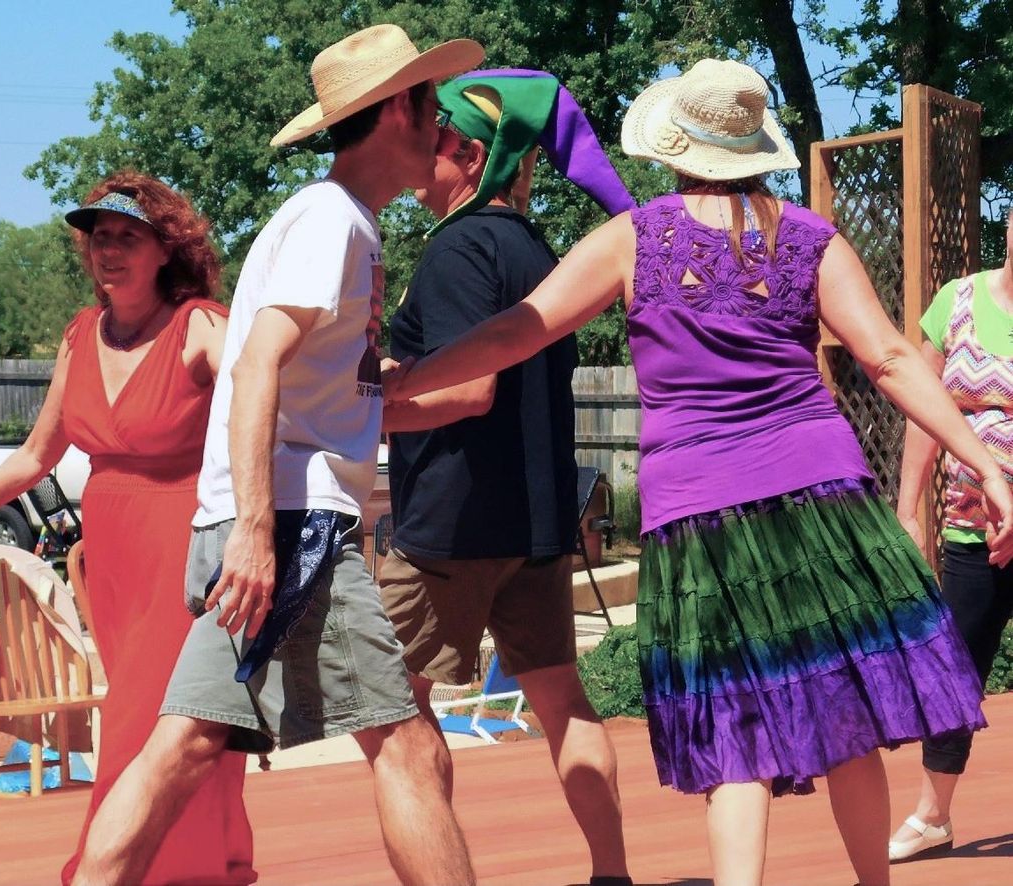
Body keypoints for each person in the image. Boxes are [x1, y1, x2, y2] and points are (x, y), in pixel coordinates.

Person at [384, 58, 1013, 886]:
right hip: (827, 507)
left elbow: (512, 335)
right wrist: (988, 466)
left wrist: (387, 389)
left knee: (734, 724)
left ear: (676, 148)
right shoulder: (811, 238)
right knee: (850, 717)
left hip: (704, 512)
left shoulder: (634, 238)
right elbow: (892, 358)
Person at [68, 25, 485, 886]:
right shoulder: (332, 222)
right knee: (404, 741)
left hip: (270, 518)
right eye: (430, 106)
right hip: (291, 524)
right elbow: (254, 367)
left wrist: (422, 385)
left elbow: (312, 389)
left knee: (180, 746)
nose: (441, 127)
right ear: (394, 110)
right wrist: (259, 532)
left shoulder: (336, 222)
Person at [0, 171, 255, 885]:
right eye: (98, 237)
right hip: (116, 555)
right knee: (164, 713)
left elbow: (264, 405)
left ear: (166, 249)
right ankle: (204, 864)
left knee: (155, 715)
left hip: (188, 548)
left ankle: (115, 869)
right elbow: (37, 453)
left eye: (129, 236)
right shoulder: (81, 335)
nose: (109, 250)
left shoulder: (202, 326)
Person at [379, 68, 635, 886]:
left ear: (472, 153)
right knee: (563, 702)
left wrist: (357, 407)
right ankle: (612, 875)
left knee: (397, 718)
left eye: (435, 140)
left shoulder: (459, 248)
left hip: (451, 530)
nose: (420, 154)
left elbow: (466, 388)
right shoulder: (535, 248)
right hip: (536, 523)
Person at [888, 207, 1013, 863]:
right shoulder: (956, 302)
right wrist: (909, 509)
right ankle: (934, 816)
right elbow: (921, 410)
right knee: (955, 676)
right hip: (970, 537)